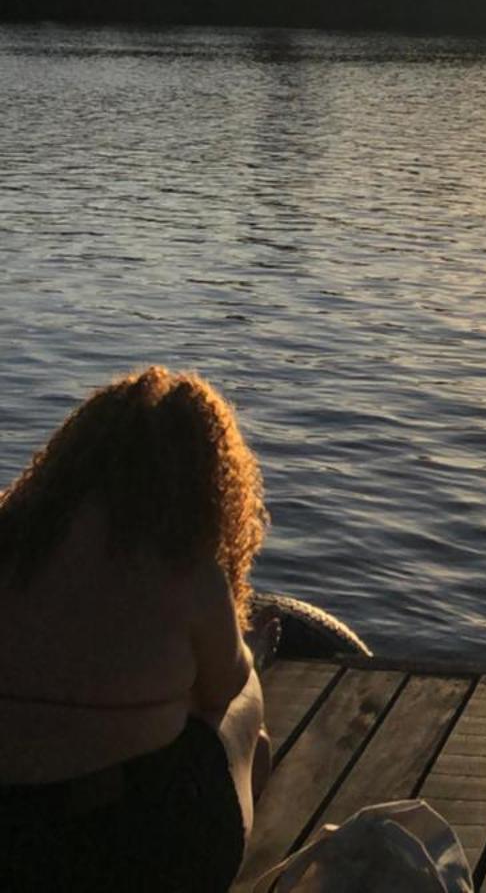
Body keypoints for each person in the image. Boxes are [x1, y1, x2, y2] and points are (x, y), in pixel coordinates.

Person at [0, 366, 272, 892]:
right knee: (244, 696)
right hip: (137, 856)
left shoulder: (10, 534)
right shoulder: (186, 567)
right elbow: (225, 687)